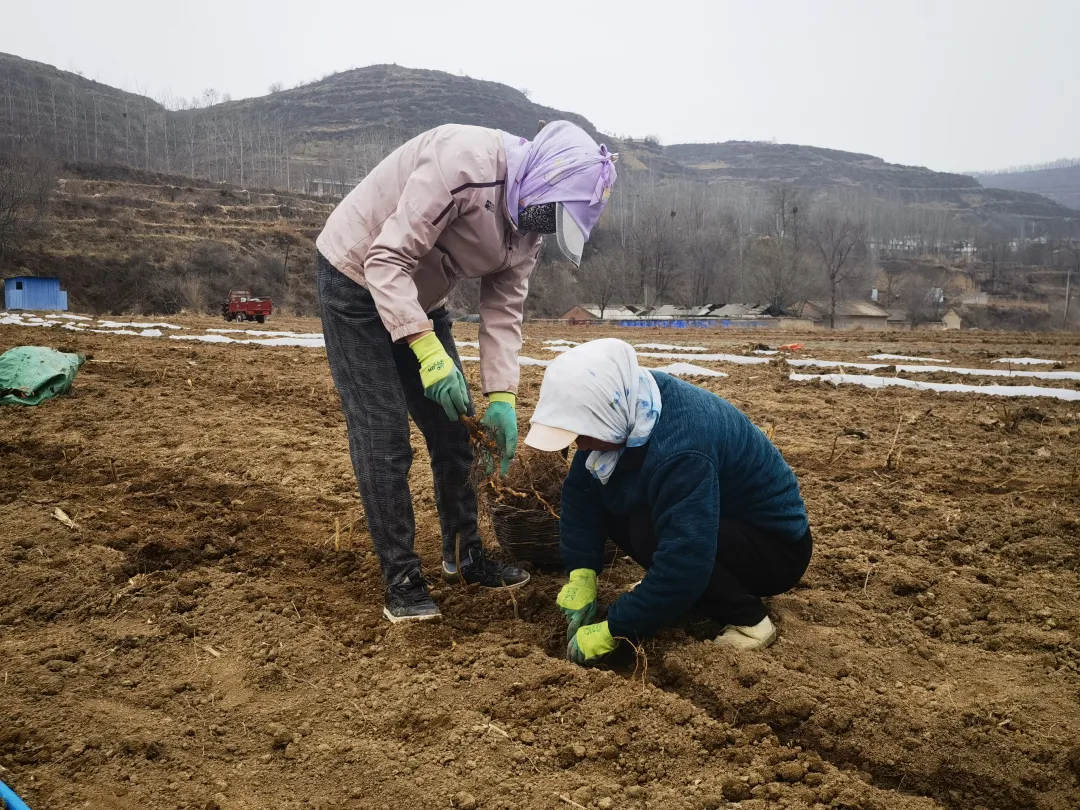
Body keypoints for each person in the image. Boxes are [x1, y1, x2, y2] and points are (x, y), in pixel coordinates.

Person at [316, 122, 617, 623]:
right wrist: (427, 352)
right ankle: (403, 578)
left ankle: (465, 554)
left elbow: (503, 311)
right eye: (549, 213)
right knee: (384, 434)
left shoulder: (529, 230)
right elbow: (385, 259)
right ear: (541, 180)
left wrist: (502, 397)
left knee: (457, 433)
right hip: (356, 277)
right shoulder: (464, 165)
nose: (543, 227)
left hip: (420, 293)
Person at [522, 339, 812, 665]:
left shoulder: (682, 448)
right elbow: (581, 495)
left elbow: (685, 559)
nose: (579, 444)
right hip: (717, 522)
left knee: (646, 529)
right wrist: (581, 571)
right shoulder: (628, 404)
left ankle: (750, 620)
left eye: (582, 434)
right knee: (622, 508)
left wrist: (617, 628)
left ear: (609, 416)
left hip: (773, 549)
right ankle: (689, 594)